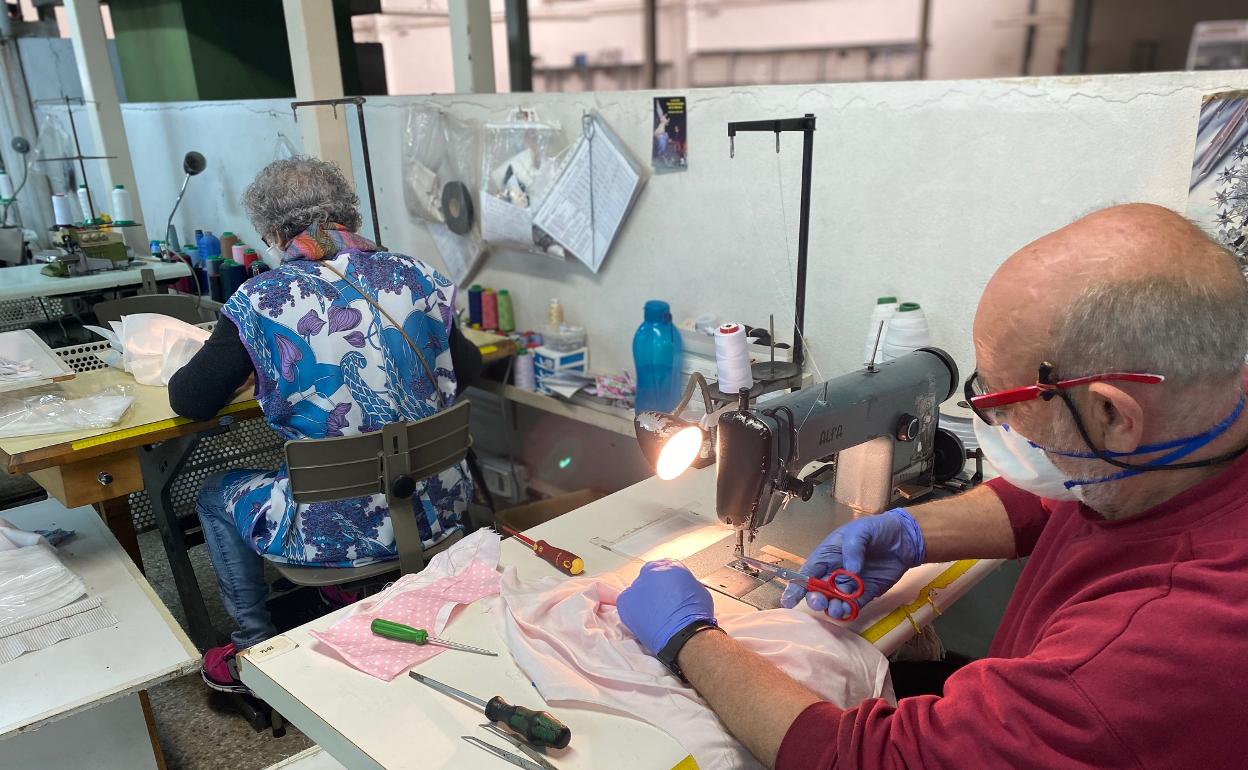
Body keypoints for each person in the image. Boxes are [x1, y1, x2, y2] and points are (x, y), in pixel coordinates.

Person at [617, 203, 1248, 768]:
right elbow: (1067, 489)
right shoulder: (1196, 432)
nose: (994, 422)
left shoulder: (1160, 644)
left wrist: (689, 638)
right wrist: (916, 533)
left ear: (1112, 415)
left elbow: (865, 760)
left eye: (1003, 402)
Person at [168, 156, 483, 693]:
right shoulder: (417, 274)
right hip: (440, 510)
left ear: (271, 231)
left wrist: (256, 366)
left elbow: (190, 399)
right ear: (348, 213)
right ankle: (352, 590)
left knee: (215, 493)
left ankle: (252, 650)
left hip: (335, 535)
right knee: (352, 460)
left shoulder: (262, 300)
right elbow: (469, 367)